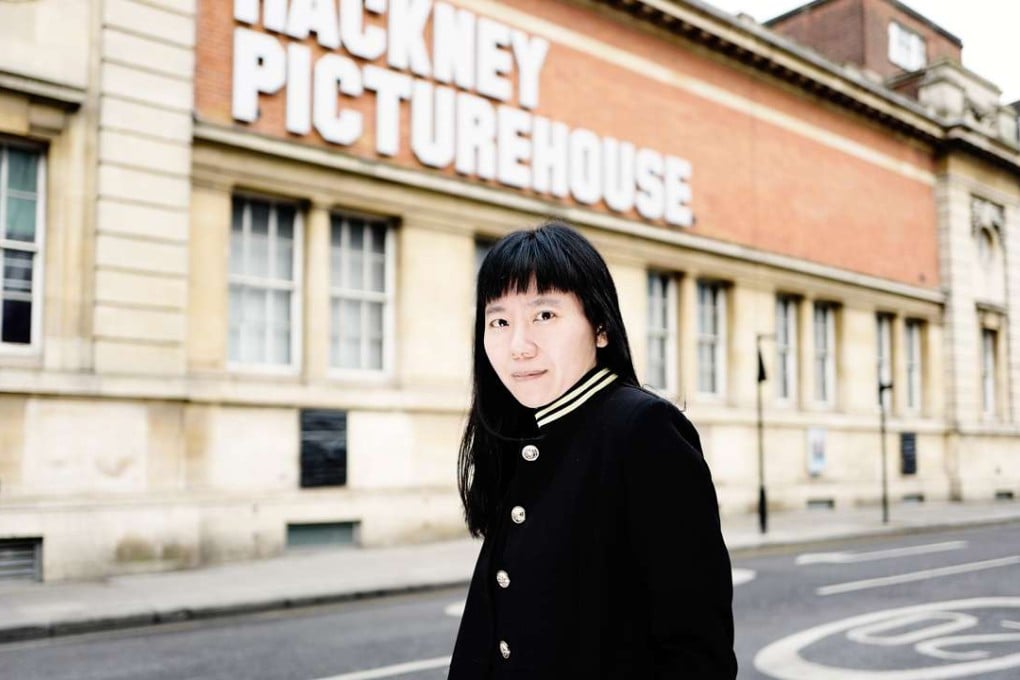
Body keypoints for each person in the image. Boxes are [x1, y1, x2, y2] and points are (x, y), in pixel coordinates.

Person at [448, 222, 737, 679]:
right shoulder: (522, 432)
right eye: (499, 321)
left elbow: (696, 651)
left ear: (600, 327)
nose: (518, 346)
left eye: (544, 315)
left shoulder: (643, 430)